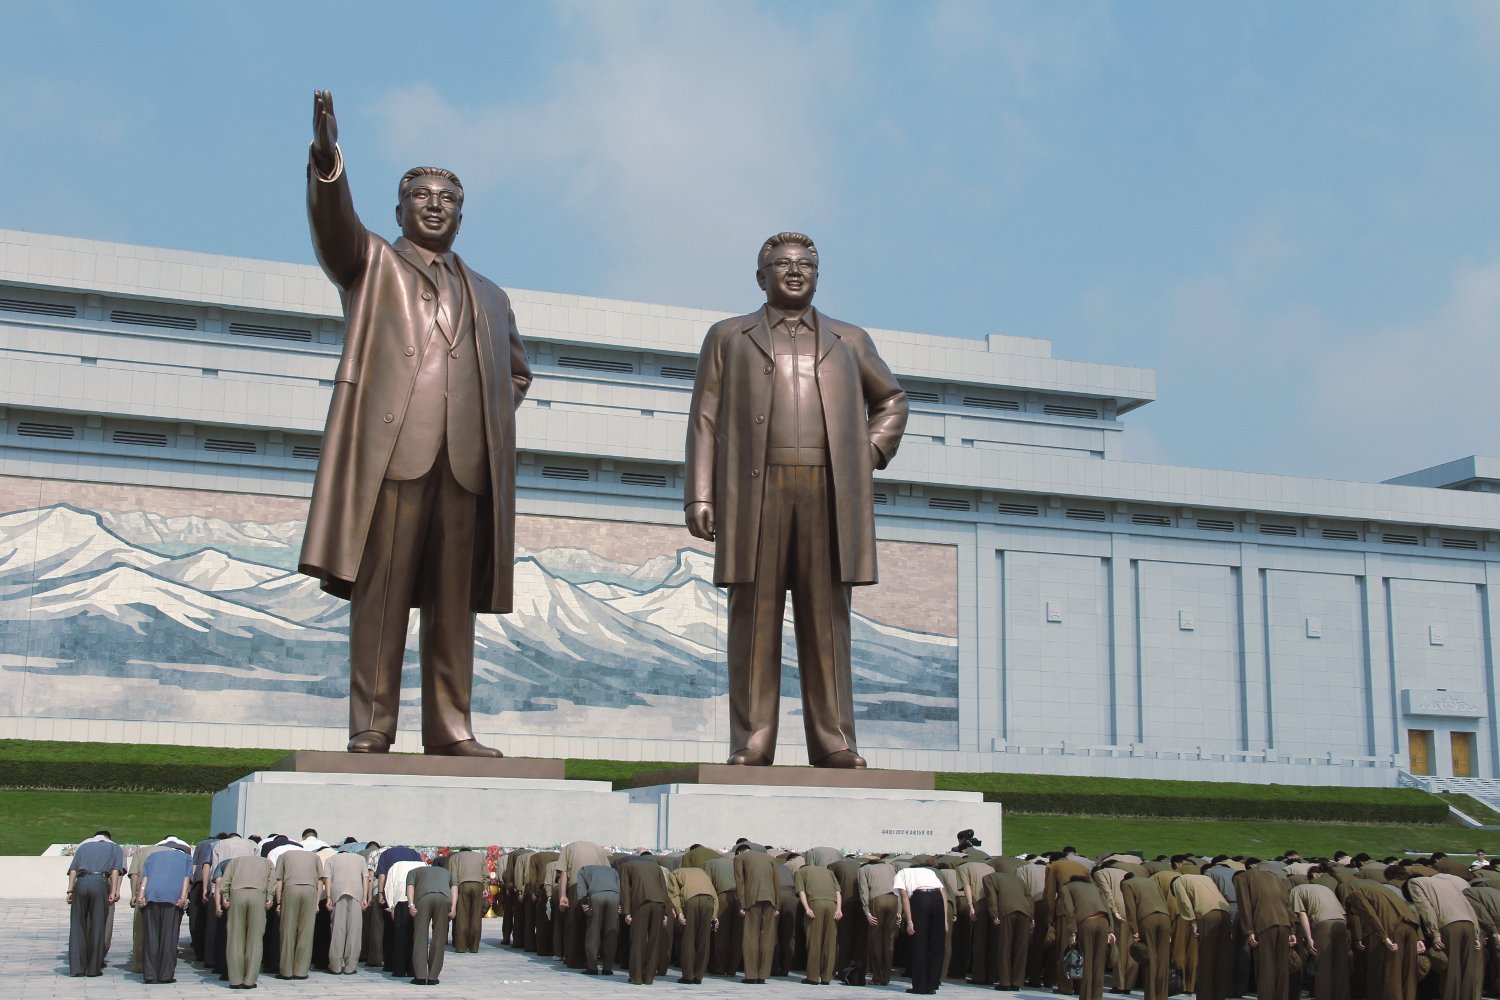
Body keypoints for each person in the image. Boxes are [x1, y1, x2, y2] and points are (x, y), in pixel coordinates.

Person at [301, 89, 533, 758]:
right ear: (399, 208)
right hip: (394, 453)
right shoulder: (371, 264)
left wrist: (487, 419)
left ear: (463, 214)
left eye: (449, 199)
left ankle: (451, 727)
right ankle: (373, 724)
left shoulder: (490, 294)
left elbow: (517, 373)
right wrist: (326, 163)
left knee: (452, 606)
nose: (437, 205)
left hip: (465, 464)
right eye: (423, 196)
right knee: (383, 594)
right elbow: (333, 226)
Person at [684, 231, 908, 768]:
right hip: (754, 494)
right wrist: (700, 494)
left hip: (828, 495)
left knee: (828, 621)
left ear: (817, 274)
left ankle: (833, 740)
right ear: (760, 277)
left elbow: (892, 399)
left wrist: (868, 454)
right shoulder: (728, 337)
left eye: (805, 264)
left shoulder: (848, 340)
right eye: (781, 264)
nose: (794, 271)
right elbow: (705, 419)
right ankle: (753, 739)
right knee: (753, 621)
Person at [1406, 872, 1481, 1000]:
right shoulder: (1447, 883)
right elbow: (1467, 906)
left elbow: (1426, 909)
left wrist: (1434, 933)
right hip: (1468, 924)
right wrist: (1476, 933)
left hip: (1448, 925)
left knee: (1451, 970)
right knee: (1467, 969)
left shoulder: (1414, 883)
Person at [67, 831, 124, 978]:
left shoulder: (83, 847)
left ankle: (77, 967)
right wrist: (113, 891)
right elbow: (116, 871)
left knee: (77, 925)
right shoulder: (115, 848)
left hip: (81, 882)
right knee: (98, 926)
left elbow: (73, 869)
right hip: (99, 882)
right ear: (108, 838)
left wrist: (70, 890)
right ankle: (93, 968)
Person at [137, 839, 193, 984]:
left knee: (151, 937)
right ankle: (165, 975)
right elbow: (186, 879)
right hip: (172, 897)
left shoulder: (153, 857)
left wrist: (141, 895)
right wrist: (183, 897)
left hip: (152, 895)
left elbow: (145, 879)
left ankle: (150, 975)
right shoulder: (186, 858)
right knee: (169, 937)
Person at [217, 850, 275, 989]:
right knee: (255, 939)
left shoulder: (234, 861)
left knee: (235, 938)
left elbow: (225, 881)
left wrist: (225, 897)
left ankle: (235, 980)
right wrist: (270, 897)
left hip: (237, 894)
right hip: (258, 895)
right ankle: (249, 980)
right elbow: (272, 881)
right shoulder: (267, 862)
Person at [1237, 867, 1297, 1000]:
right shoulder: (1274, 876)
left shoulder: (1241, 878)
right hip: (1284, 922)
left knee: (1265, 966)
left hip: (1264, 923)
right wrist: (1292, 929)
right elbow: (1287, 903)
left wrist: (1249, 931)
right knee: (1282, 967)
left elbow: (1244, 905)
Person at [1291, 872, 1348, 1000]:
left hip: (1324, 924)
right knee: (1340, 966)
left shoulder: (1296, 890)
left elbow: (1302, 914)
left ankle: (1323, 996)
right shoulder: (1324, 888)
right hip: (1341, 922)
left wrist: (1309, 937)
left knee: (1323, 965)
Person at [1057, 874, 1115, 1000]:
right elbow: (1107, 907)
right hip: (1103, 921)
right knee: (1099, 964)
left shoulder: (1067, 887)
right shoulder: (1094, 887)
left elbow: (1069, 909)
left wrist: (1073, 931)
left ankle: (1086, 997)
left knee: (1086, 962)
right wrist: (1111, 930)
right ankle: (1096, 997)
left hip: (1086, 922)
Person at [620, 853, 672, 985]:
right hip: (659, 903)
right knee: (655, 941)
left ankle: (636, 977)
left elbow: (625, 889)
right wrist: (666, 913)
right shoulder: (656, 867)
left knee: (638, 940)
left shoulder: (625, 866)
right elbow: (663, 889)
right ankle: (649, 977)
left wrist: (626, 912)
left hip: (641, 902)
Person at [897, 865, 948, 995]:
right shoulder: (929, 872)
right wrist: (945, 919)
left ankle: (920, 986)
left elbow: (904, 897)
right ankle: (932, 985)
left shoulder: (901, 873)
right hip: (937, 899)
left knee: (919, 944)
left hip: (920, 900)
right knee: (937, 945)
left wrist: (909, 921)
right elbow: (943, 892)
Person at [272, 844, 321, 979]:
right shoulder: (315, 856)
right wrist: (316, 902)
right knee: (306, 931)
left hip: (291, 889)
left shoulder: (284, 856)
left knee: (288, 930)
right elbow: (320, 881)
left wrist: (279, 902)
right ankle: (301, 971)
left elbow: (279, 880)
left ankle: (286, 971)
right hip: (310, 889)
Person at [407, 858, 457, 985]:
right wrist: (453, 906)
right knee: (439, 938)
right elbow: (454, 888)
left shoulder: (414, 872)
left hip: (423, 898)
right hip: (444, 898)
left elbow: (410, 887)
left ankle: (420, 976)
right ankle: (433, 977)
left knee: (420, 936)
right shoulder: (448, 873)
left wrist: (411, 905)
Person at [982, 868, 1033, 993]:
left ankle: (1005, 982)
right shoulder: (1018, 879)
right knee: (1021, 948)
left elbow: (991, 897)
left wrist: (994, 914)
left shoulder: (988, 878)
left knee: (1004, 947)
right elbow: (1029, 897)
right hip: (1025, 911)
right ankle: (1017, 983)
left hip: (1006, 911)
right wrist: (1032, 916)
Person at [735, 842, 781, 982]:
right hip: (770, 900)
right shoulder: (769, 859)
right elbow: (776, 882)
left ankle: (751, 975)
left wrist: (741, 905)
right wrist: (777, 905)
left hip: (751, 900)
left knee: (750, 938)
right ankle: (763, 975)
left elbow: (740, 882)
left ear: (739, 852)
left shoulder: (740, 859)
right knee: (767, 938)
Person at [321, 847, 369, 975]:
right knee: (355, 930)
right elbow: (365, 878)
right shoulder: (360, 859)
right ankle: (350, 967)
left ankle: (335, 966)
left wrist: (329, 897)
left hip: (338, 893)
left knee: (337, 929)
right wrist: (365, 897)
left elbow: (328, 879)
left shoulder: (331, 859)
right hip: (357, 894)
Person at [668, 863, 717, 983]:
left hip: (691, 900)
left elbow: (673, 894)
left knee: (688, 938)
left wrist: (679, 912)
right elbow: (714, 893)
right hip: (709, 901)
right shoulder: (702, 873)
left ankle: (688, 976)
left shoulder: (674, 874)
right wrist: (714, 916)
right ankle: (699, 976)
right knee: (704, 940)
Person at [795, 859, 842, 984]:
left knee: (814, 940)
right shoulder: (828, 872)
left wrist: (807, 908)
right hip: (832, 904)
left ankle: (813, 977)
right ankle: (826, 977)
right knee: (830, 942)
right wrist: (839, 909)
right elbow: (838, 891)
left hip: (815, 904)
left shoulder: (800, 872)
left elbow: (801, 891)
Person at [860, 857, 902, 986]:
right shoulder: (890, 868)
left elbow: (863, 890)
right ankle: (886, 977)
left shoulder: (864, 869)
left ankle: (877, 977)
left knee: (876, 940)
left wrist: (866, 911)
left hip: (877, 900)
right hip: (893, 900)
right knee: (889, 941)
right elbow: (898, 889)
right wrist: (899, 911)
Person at [580, 862, 623, 977]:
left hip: (596, 896)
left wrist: (584, 904)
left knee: (593, 932)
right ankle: (607, 968)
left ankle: (592, 967)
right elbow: (619, 887)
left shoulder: (583, 869)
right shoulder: (612, 870)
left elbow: (582, 890)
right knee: (611, 933)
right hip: (614, 897)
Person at [447, 848, 489, 954]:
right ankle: (474, 947)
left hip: (462, 885)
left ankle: (461, 947)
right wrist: (484, 887)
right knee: (476, 917)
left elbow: (453, 876)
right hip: (478, 884)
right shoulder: (480, 856)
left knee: (462, 917)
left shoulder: (454, 857)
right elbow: (486, 875)